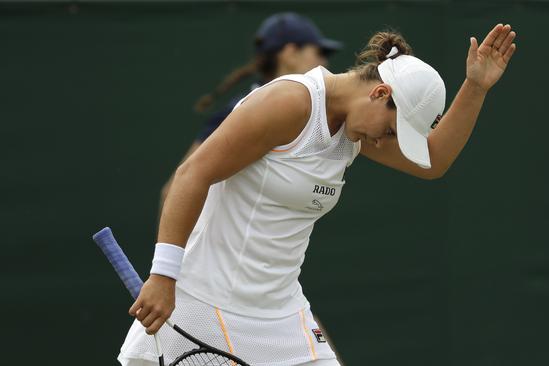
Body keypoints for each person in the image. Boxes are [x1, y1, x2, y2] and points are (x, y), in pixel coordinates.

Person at [120, 23, 517, 366]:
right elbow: (192, 174)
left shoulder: (357, 128)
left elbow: (433, 159)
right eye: (392, 130)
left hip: (281, 313)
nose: (385, 140)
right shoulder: (290, 102)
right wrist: (163, 274)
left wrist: (476, 86)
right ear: (380, 94)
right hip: (206, 302)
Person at [160, 12, 342, 205]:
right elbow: (174, 190)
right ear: (290, 53)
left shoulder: (308, 110)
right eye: (319, 52)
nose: (324, 63)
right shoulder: (239, 111)